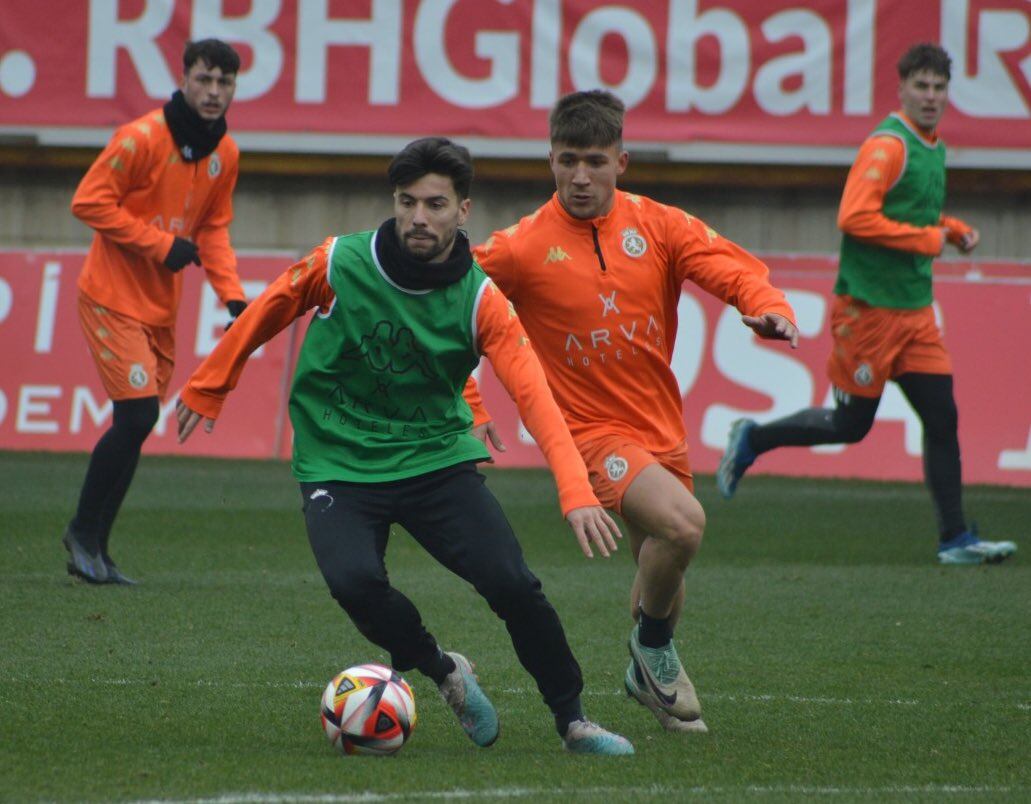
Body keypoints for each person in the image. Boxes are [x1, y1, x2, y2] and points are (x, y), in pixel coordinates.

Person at [176, 137, 634, 756]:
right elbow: (268, 309)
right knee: (355, 582)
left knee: (512, 584)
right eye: (407, 201)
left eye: (436, 204)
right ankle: (444, 671)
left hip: (433, 459)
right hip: (338, 460)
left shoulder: (480, 300)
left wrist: (576, 490)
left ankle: (574, 721)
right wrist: (210, 384)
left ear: (463, 211)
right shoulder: (341, 262)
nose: (420, 217)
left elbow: (535, 397)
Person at [468, 90, 799, 733]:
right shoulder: (520, 247)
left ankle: (645, 663)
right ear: (551, 162)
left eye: (595, 161)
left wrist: (767, 304)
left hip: (659, 429)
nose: (581, 177)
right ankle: (650, 653)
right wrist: (469, 395)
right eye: (568, 161)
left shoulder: (659, 226)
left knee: (664, 577)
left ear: (623, 159)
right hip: (588, 435)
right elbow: (451, 310)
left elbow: (730, 266)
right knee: (683, 526)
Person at [716, 43, 1017, 567]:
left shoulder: (932, 145)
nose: (930, 96)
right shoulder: (888, 145)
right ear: (901, 89)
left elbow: (914, 212)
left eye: (938, 87)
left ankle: (955, 540)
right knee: (851, 425)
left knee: (942, 418)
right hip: (869, 313)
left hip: (916, 314)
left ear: (948, 93)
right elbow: (854, 217)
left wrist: (949, 228)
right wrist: (928, 240)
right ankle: (753, 437)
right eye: (920, 86)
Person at [63, 39, 249, 585]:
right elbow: (88, 201)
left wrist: (232, 296)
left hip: (160, 308)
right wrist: (158, 244)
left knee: (137, 422)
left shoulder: (224, 153)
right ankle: (81, 532)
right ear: (185, 78)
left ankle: (94, 545)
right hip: (109, 296)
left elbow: (212, 228)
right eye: (205, 80)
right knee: (139, 414)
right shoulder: (141, 136)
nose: (214, 92)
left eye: (224, 83)